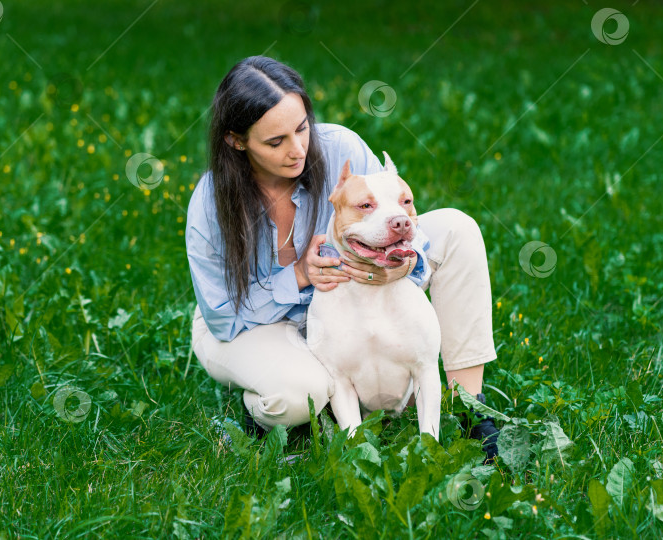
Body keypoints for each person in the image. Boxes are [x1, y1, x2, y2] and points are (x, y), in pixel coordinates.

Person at [186, 56, 500, 461]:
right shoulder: (212, 204)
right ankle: (261, 414)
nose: (298, 150)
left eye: (302, 129)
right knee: (303, 395)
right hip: (250, 322)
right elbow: (223, 316)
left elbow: (392, 217)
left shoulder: (339, 147)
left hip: (345, 301)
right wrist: (299, 275)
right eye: (275, 142)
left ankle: (469, 406)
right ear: (237, 140)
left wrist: (402, 265)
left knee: (458, 230)